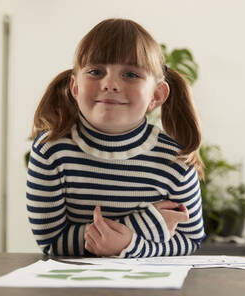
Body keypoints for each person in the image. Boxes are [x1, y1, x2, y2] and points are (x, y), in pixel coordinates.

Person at [27, 18, 205, 257]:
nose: (110, 84)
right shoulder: (51, 151)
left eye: (130, 74)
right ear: (75, 87)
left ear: (157, 95)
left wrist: (130, 245)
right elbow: (51, 241)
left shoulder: (176, 159)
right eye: (95, 72)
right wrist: (146, 224)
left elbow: (190, 240)